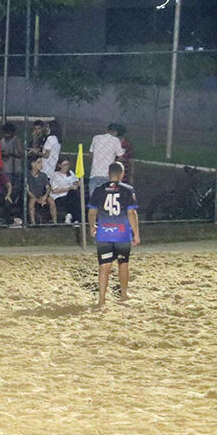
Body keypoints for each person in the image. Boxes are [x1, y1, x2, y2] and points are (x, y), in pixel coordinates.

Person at [88, 162, 140, 308]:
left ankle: (101, 300)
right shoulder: (128, 190)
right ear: (122, 174)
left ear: (108, 173)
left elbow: (92, 212)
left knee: (104, 266)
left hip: (104, 233)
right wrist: (136, 233)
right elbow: (131, 213)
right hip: (122, 233)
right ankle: (124, 294)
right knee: (123, 263)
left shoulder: (98, 190)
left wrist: (92, 226)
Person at [87, 123, 125, 198]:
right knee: (107, 200)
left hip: (94, 174)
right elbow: (120, 157)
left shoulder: (96, 138)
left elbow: (90, 155)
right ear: (116, 132)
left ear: (107, 130)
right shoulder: (115, 140)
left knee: (94, 201)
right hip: (108, 176)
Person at [50, 158, 82, 224]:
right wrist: (69, 188)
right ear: (59, 165)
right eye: (64, 165)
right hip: (59, 196)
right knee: (72, 195)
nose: (66, 166)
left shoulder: (71, 173)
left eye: (67, 164)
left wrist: (77, 184)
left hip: (71, 195)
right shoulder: (55, 175)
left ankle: (70, 216)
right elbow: (54, 190)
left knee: (73, 195)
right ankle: (75, 218)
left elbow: (75, 182)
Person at [26, 157, 56, 225]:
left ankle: (55, 222)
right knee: (32, 201)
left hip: (42, 196)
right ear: (33, 164)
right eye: (39, 162)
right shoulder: (27, 175)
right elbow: (27, 190)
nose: (41, 164)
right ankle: (33, 223)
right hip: (32, 196)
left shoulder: (43, 175)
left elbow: (48, 188)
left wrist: (44, 197)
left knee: (51, 200)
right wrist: (36, 199)